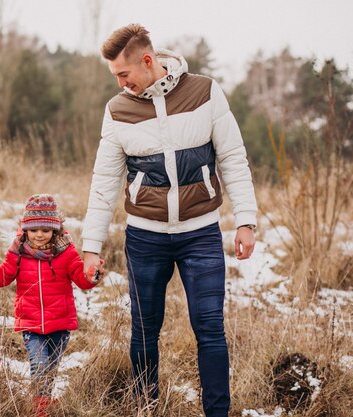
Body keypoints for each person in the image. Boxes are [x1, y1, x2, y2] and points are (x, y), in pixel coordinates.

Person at [81, 24, 257, 417]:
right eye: (116, 78)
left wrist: (245, 220)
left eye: (124, 74)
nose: (121, 83)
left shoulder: (205, 92)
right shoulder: (117, 110)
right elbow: (104, 183)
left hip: (201, 233)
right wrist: (91, 246)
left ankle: (217, 412)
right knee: (145, 329)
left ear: (148, 61)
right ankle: (146, 408)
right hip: (146, 238)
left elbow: (232, 156)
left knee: (209, 327)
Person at [0, 194, 103, 417]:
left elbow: (81, 279)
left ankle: (44, 400)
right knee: (39, 366)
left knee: (50, 370)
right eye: (33, 230)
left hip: (60, 324)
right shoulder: (18, 252)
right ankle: (39, 410)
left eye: (45, 230)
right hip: (31, 324)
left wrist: (92, 275)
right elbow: (2, 277)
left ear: (56, 229)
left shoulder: (66, 252)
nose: (39, 235)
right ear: (25, 230)